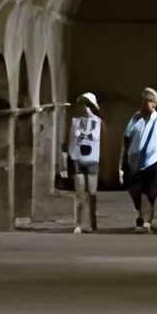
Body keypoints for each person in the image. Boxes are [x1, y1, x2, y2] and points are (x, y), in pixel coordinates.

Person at [121, 87, 157, 232]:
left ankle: (145, 221)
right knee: (134, 190)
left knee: (149, 192)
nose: (146, 104)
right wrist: (124, 160)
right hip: (134, 162)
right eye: (144, 101)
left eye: (149, 101)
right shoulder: (135, 118)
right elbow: (126, 138)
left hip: (152, 161)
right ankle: (140, 215)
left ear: (155, 104)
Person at [64, 91, 106, 232]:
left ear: (92, 106)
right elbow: (70, 140)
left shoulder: (99, 123)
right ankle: (78, 224)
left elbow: (103, 143)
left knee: (92, 192)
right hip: (77, 159)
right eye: (82, 104)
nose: (84, 107)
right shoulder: (75, 122)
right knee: (79, 192)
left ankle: (91, 223)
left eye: (87, 104)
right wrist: (68, 159)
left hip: (93, 160)